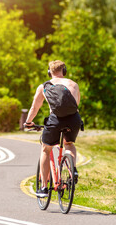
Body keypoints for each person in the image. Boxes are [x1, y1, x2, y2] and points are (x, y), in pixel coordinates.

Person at [24, 60, 82, 198]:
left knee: (46, 149)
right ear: (64, 71)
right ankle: (72, 170)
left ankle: (44, 187)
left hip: (55, 120)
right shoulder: (73, 84)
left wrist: (28, 122)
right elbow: (76, 104)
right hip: (74, 119)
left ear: (49, 72)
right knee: (69, 145)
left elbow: (34, 108)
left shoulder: (44, 86)